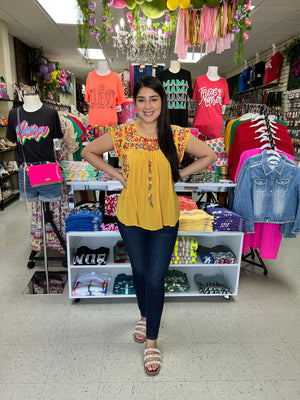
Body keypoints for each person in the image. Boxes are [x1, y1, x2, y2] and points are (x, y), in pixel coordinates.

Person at [81, 76, 217, 376]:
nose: (147, 106)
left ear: (162, 102)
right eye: (141, 100)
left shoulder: (177, 135)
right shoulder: (124, 133)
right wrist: (117, 174)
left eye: (153, 99)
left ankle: (152, 341)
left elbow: (210, 155)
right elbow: (87, 152)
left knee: (155, 278)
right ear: (134, 103)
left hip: (166, 216)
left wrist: (180, 174)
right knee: (139, 272)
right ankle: (144, 316)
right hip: (130, 215)